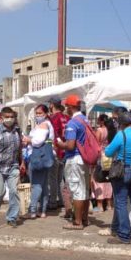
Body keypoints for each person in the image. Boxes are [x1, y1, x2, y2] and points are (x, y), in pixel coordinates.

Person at [105, 112, 131, 244]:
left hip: (123, 171)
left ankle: (124, 235)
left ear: (121, 124)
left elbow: (108, 152)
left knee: (121, 203)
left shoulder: (121, 135)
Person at [0, 107, 24, 228]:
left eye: (11, 116)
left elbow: (19, 149)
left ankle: (12, 217)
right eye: (7, 117)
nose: (10, 119)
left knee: (14, 191)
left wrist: (22, 162)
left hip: (13, 166)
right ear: (2, 118)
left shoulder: (17, 130)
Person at [58, 95, 90, 230]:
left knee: (76, 190)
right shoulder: (85, 120)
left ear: (70, 107)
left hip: (74, 159)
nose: (66, 109)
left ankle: (77, 221)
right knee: (84, 190)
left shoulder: (73, 123)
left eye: (66, 106)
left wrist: (60, 144)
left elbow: (70, 145)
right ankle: (84, 218)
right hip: (85, 158)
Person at [25, 104, 54, 219]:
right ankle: (42, 210)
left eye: (40, 113)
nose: (38, 115)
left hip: (38, 157)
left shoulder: (43, 125)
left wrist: (28, 139)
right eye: (36, 113)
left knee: (36, 185)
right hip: (45, 157)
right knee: (43, 185)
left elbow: (37, 141)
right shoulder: (47, 125)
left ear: (46, 114)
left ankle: (32, 211)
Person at [48, 98, 68, 211]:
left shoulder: (54, 118)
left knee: (53, 178)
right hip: (65, 150)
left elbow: (53, 137)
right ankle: (61, 200)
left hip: (57, 150)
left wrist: (49, 146)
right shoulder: (65, 117)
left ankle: (53, 202)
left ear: (51, 105)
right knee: (60, 179)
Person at [91, 114, 113, 213]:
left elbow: (96, 144)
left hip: (100, 156)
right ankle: (109, 204)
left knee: (98, 179)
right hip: (109, 156)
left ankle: (100, 205)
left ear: (101, 121)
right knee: (108, 180)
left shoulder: (99, 130)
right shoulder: (111, 130)